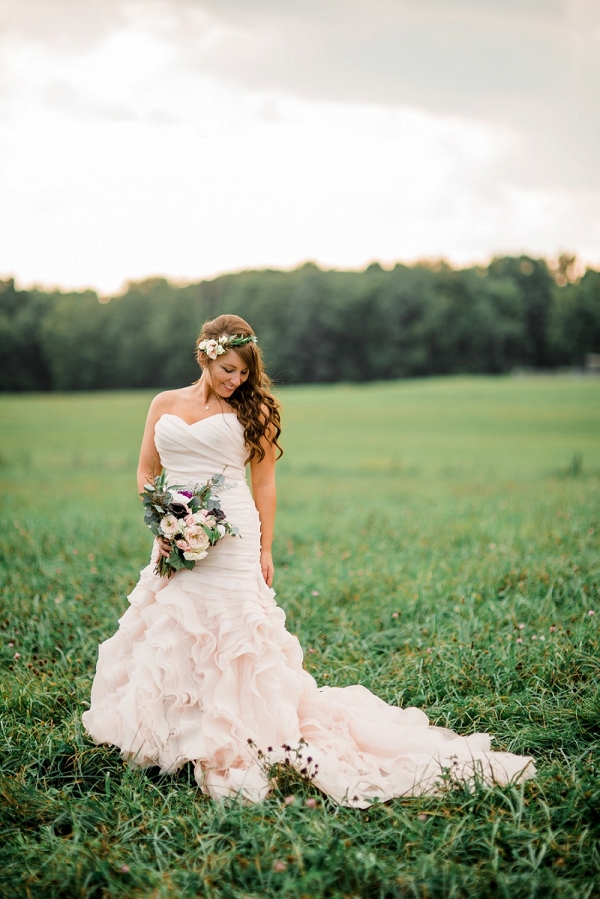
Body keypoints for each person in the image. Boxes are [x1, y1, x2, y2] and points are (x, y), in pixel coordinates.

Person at [82, 314, 535, 807]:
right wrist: (165, 520)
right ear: (206, 356)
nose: (236, 381)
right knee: (171, 623)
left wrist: (266, 548)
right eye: (229, 369)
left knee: (234, 633)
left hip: (232, 534)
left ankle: (232, 730)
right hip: (175, 529)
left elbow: (265, 485)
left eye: (244, 374)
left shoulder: (255, 412)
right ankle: (172, 732)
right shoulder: (164, 404)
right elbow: (148, 470)